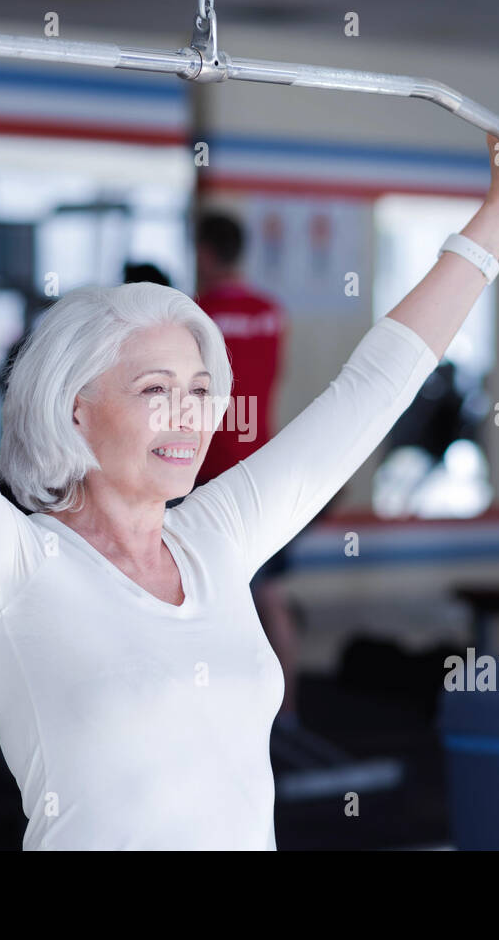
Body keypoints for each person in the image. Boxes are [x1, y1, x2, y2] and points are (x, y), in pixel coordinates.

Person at [0, 34, 499, 850]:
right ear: (75, 411)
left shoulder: (215, 536)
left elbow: (371, 389)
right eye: (156, 392)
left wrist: (498, 215)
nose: (189, 417)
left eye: (201, 393)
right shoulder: (13, 565)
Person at [191, 213, 304, 729]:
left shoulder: (197, 315)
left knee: (202, 598)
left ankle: (216, 713)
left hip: (208, 473)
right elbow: (269, 381)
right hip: (262, 468)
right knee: (270, 595)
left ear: (206, 254)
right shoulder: (271, 313)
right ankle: (288, 711)